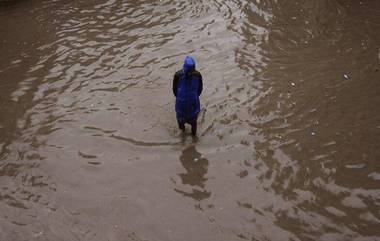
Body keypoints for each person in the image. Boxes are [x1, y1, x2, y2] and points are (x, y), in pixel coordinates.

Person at [172, 56, 203, 136]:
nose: (190, 73)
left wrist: (180, 98)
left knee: (182, 128)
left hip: (182, 106)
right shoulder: (197, 75)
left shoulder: (178, 75)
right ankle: (193, 141)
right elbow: (200, 90)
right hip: (192, 106)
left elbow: (175, 90)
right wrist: (194, 96)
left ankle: (184, 141)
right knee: (192, 126)